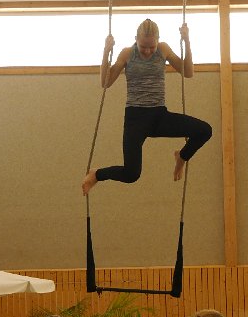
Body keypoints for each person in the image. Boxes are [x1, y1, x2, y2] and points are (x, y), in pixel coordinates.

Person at [81, 19, 212, 194]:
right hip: (135, 119)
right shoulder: (127, 53)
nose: (148, 51)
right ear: (136, 39)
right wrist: (106, 51)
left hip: (159, 116)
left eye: (152, 46)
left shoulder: (163, 49)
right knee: (131, 174)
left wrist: (187, 41)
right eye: (143, 47)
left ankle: (182, 156)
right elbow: (106, 82)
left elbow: (188, 72)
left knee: (204, 130)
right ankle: (97, 174)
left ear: (158, 41)